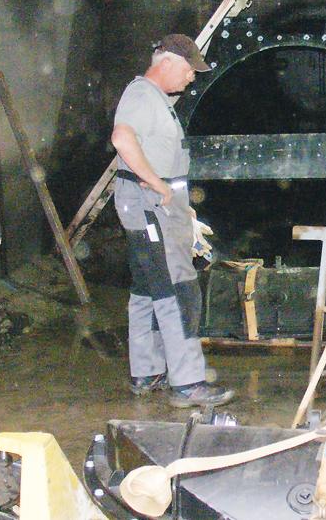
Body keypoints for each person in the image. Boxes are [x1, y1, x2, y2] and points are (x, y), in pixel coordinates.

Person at [110, 34, 234, 407]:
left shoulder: (156, 100)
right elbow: (121, 139)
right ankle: (188, 383)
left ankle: (146, 372)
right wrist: (159, 187)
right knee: (179, 288)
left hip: (156, 203)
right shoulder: (141, 96)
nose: (191, 78)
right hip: (151, 205)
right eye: (188, 70)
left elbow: (158, 156)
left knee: (148, 285)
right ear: (166, 63)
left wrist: (183, 205)